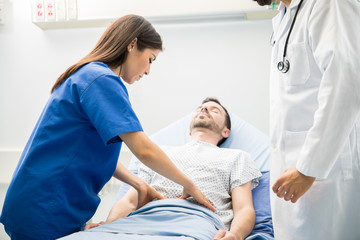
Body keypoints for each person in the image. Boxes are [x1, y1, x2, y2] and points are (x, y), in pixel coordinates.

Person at [0, 15, 214, 240]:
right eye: (150, 59)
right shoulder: (101, 80)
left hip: (37, 201)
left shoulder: (85, 74)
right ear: (132, 44)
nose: (149, 70)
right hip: (46, 204)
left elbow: (87, 151)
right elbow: (143, 150)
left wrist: (139, 183)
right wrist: (189, 184)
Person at [73, 97, 262, 240]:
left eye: (215, 110)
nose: (205, 108)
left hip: (197, 221)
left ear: (225, 132)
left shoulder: (237, 156)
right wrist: (108, 225)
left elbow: (244, 208)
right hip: (142, 219)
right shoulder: (159, 154)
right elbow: (130, 201)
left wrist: (234, 235)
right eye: (202, 107)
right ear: (189, 130)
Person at [252, 0, 360, 239]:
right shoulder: (285, 14)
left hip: (324, 173)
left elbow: (345, 86)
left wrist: (308, 168)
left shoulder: (330, 4)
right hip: (294, 174)